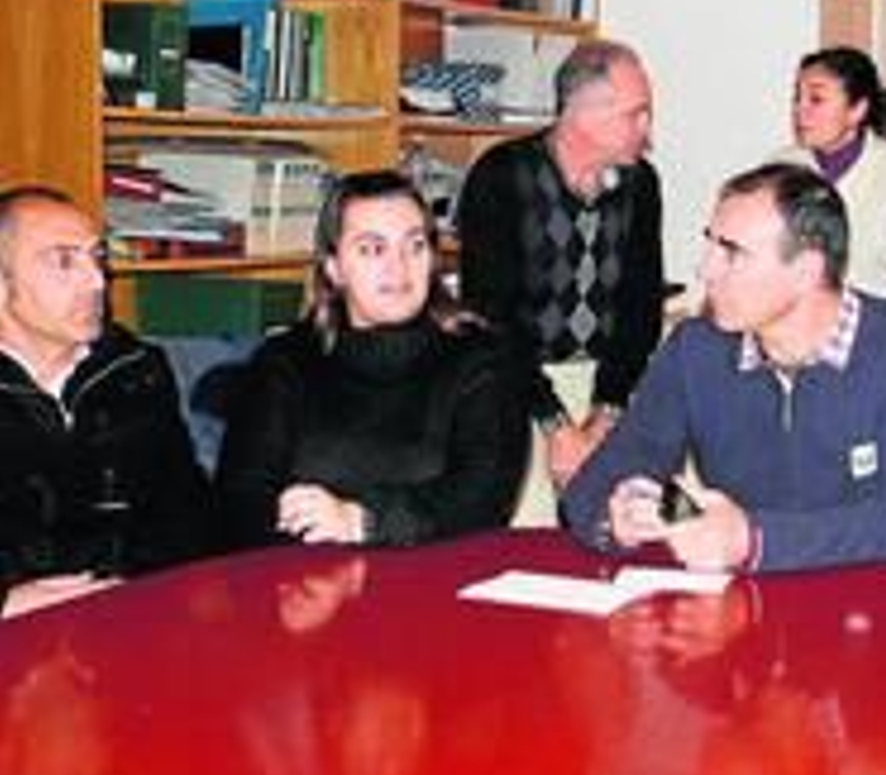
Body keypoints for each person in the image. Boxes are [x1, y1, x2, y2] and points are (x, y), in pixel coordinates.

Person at [561, 162, 886, 572]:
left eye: (731, 253)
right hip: (747, 606)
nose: (704, 270)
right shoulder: (696, 350)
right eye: (710, 245)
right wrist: (617, 515)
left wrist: (754, 539)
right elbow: (591, 488)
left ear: (806, 270)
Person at [217, 170, 529, 549]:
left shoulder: (481, 359)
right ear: (333, 268)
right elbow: (239, 500)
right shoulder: (286, 361)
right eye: (372, 249)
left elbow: (483, 497)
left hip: (432, 586)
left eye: (414, 246)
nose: (398, 268)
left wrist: (362, 521)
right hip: (303, 587)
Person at [456, 38, 664, 522]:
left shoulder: (641, 184)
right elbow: (490, 320)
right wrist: (557, 427)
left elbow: (640, 307)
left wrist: (603, 415)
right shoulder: (501, 176)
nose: (646, 130)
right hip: (518, 385)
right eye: (636, 114)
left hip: (609, 388)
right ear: (584, 113)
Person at [0, 186, 211, 619]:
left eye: (97, 258)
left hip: (127, 622)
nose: (97, 281)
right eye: (64, 261)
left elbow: (187, 519)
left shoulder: (135, 372)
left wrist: (130, 591)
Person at [778, 46, 886, 317]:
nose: (801, 110)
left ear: (857, 110)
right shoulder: (779, 171)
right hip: (794, 333)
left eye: (816, 99)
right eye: (797, 98)